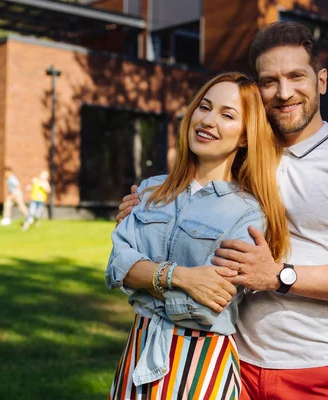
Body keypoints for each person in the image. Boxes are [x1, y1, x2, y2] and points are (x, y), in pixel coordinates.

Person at [116, 22, 328, 400]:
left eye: (297, 76)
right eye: (269, 81)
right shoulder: (237, 155)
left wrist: (279, 276)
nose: (284, 93)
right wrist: (145, 211)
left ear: (322, 81)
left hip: (307, 365)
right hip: (226, 359)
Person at [105, 72, 290, 400]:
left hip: (201, 367)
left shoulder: (248, 212)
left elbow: (207, 306)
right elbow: (116, 266)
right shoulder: (149, 191)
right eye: (204, 107)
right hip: (137, 356)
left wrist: (143, 282)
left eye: (227, 115)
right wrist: (182, 277)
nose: (208, 120)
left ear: (245, 137)